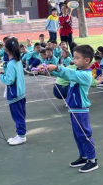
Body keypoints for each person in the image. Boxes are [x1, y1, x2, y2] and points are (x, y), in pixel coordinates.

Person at [40, 45, 98, 173]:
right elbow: (66, 76)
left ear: (87, 60)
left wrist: (56, 67)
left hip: (81, 111)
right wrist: (50, 70)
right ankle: (84, 157)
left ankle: (92, 160)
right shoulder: (78, 72)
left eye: (77, 58)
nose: (74, 60)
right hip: (74, 110)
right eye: (74, 57)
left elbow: (69, 73)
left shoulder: (85, 75)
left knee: (84, 135)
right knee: (77, 136)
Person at [0, 37, 26, 146]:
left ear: (6, 49)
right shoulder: (18, 61)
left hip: (14, 94)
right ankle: (20, 134)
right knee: (20, 115)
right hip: (21, 93)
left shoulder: (11, 64)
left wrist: (1, 77)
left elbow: (10, 80)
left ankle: (21, 136)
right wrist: (5, 73)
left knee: (17, 116)